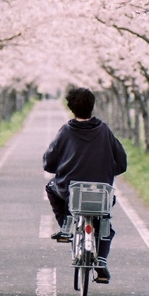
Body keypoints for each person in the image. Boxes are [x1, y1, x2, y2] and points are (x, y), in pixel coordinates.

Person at [43, 87, 127, 283]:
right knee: (105, 223)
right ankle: (102, 261)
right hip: (101, 192)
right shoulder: (104, 130)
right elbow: (121, 161)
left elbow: (49, 161)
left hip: (70, 191)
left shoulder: (66, 131)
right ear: (93, 106)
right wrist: (107, 172)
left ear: (71, 108)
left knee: (50, 187)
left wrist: (58, 168)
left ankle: (66, 225)